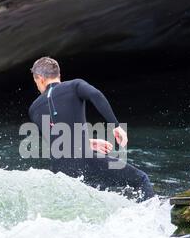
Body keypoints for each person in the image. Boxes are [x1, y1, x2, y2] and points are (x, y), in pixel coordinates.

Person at [28, 57, 154, 201]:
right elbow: (96, 94)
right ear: (59, 76)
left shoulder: (33, 109)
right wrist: (116, 126)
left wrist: (87, 142)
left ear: (40, 78)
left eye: (36, 82)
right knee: (141, 180)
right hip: (85, 163)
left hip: (60, 172)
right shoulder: (74, 86)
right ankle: (153, 220)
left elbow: (55, 142)